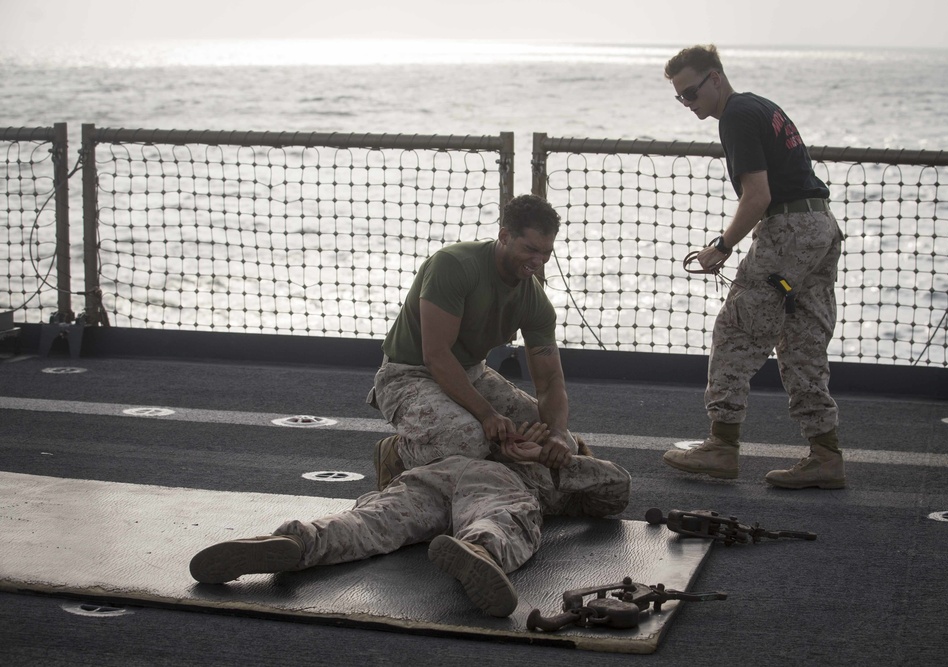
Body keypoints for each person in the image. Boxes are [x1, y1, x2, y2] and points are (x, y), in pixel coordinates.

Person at [189, 422, 631, 618]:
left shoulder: (484, 434)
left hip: (430, 477)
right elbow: (617, 488)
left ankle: (299, 543)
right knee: (505, 519)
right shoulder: (551, 465)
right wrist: (559, 461)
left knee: (371, 522)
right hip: (495, 480)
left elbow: (391, 452)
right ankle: (481, 551)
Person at [660, 44, 846, 489]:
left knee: (735, 331)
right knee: (801, 343)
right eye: (680, 98)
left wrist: (721, 247)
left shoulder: (736, 116)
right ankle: (826, 455)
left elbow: (758, 197)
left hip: (787, 230)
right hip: (820, 226)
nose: (688, 104)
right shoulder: (761, 106)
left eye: (691, 93)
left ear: (715, 79)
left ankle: (722, 446)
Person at [368, 193, 589, 491]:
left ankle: (486, 464)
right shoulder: (454, 266)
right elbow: (436, 355)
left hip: (472, 373)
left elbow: (550, 381)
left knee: (553, 438)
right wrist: (486, 414)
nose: (538, 262)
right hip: (408, 375)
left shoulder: (534, 301)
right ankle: (397, 454)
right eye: (530, 249)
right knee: (468, 440)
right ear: (504, 236)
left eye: (546, 253)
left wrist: (559, 434)